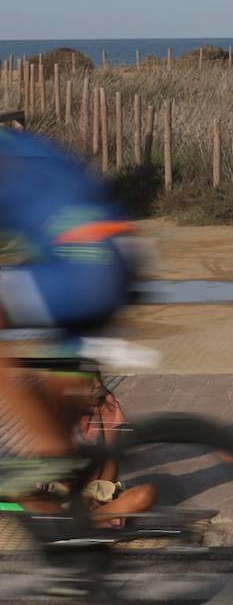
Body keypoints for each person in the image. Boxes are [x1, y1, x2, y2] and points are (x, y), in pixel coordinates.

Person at [0, 125, 139, 479]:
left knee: (48, 441)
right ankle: (71, 500)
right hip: (118, 257)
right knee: (59, 393)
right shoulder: (21, 141)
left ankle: (49, 455)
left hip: (82, 270)